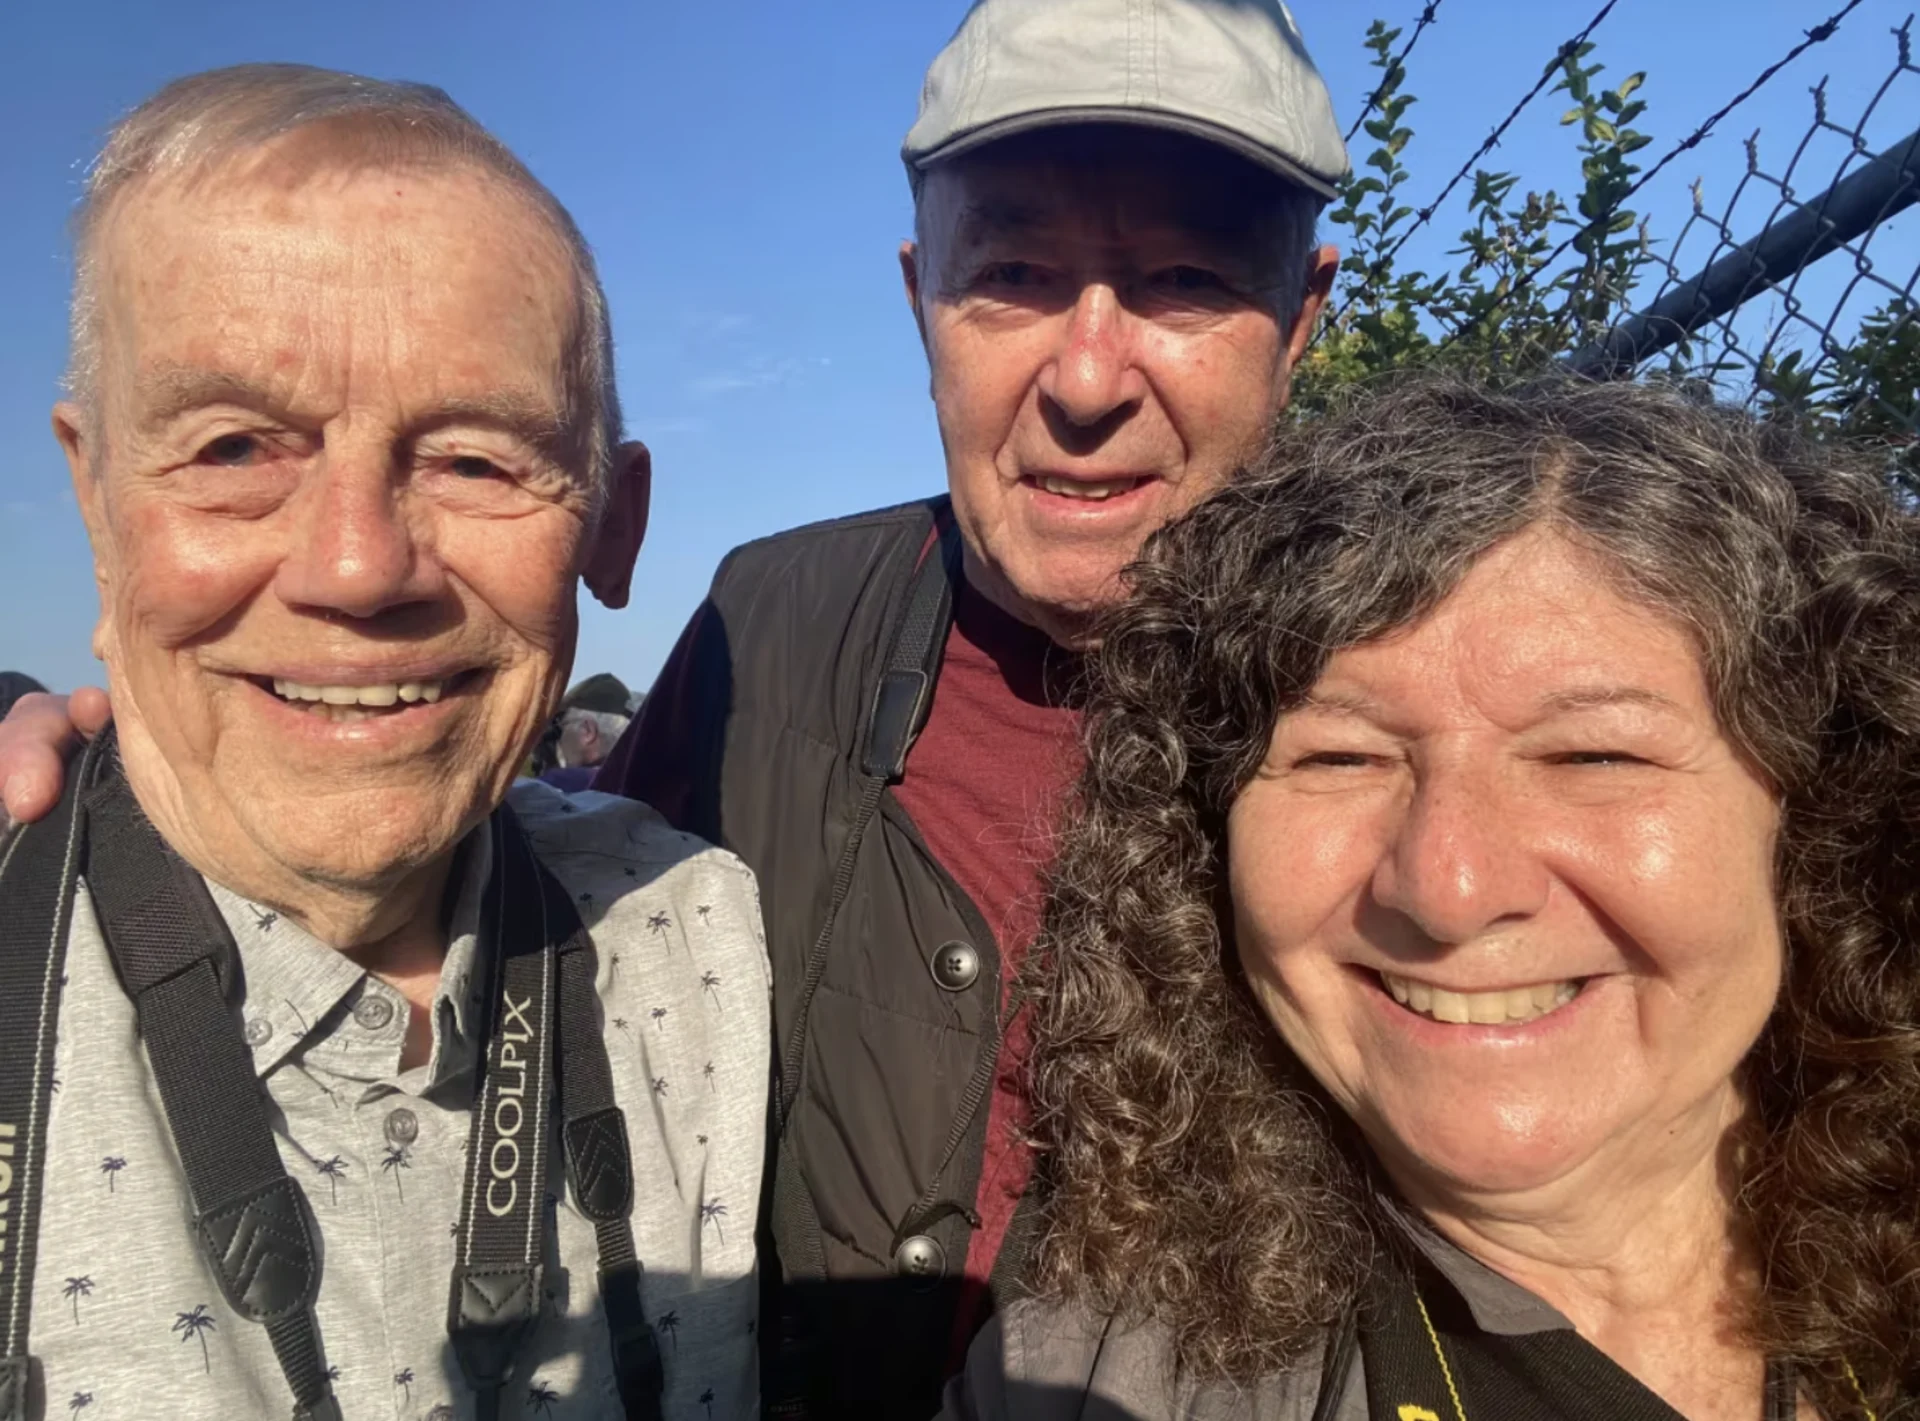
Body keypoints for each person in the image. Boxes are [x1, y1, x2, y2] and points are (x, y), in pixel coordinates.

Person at [0, 1, 1349, 1411]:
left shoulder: (1447, 692)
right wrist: (88, 811)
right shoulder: (772, 635)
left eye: (1187, 279)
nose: (1085, 376)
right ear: (920, 299)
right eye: (1009, 270)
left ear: (1303, 318)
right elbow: (422, 813)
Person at [0, 65, 767, 1421]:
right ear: (96, 490)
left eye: (477, 459)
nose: (357, 564)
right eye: (236, 445)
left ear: (612, 525)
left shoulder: (709, 946)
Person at [942, 375, 1920, 1421]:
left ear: (1821, 810)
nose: (1450, 887)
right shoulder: (1085, 1379)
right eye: (1341, 758)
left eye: (1594, 751)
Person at [537, 672, 636, 790]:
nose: (557, 740)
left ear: (587, 731)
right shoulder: (646, 787)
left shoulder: (555, 785)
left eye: (560, 726)